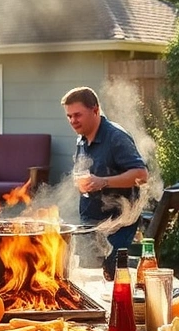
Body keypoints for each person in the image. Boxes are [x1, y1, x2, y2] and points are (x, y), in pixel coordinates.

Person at [61, 86, 148, 279]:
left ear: (95, 110)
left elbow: (141, 175)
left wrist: (103, 182)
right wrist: (82, 183)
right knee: (85, 280)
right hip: (90, 225)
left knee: (111, 282)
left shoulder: (116, 137)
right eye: (69, 116)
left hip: (117, 227)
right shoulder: (81, 140)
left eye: (77, 115)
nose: (73, 121)